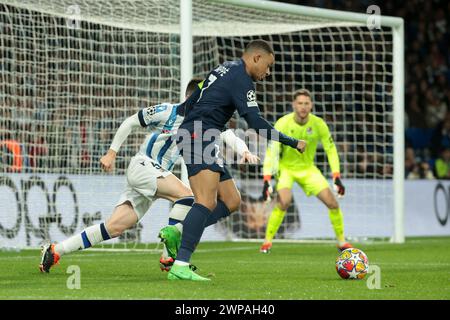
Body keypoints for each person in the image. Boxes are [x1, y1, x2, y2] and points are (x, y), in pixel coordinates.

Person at [39, 79, 258, 273]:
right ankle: (168, 257)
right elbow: (131, 122)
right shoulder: (168, 111)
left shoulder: (207, 121)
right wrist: (112, 152)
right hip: (144, 165)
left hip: (157, 175)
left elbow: (228, 135)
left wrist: (245, 151)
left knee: (114, 227)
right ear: (190, 98)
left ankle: (55, 250)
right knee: (188, 197)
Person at [169, 39, 306, 281]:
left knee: (232, 200)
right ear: (256, 58)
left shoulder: (225, 67)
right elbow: (255, 123)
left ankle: (179, 230)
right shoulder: (242, 79)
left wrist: (185, 122)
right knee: (205, 202)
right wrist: (292, 142)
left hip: (203, 133)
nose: (268, 72)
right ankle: (180, 264)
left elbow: (194, 97)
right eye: (268, 65)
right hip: (199, 134)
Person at [260, 89, 352, 253]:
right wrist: (267, 178)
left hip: (308, 169)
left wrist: (336, 175)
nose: (303, 107)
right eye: (300, 103)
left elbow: (331, 149)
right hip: (286, 168)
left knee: (332, 203)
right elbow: (272, 151)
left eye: (306, 103)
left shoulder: (318, 124)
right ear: (294, 105)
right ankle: (267, 242)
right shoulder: (283, 123)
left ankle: (341, 242)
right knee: (284, 201)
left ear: (311, 106)